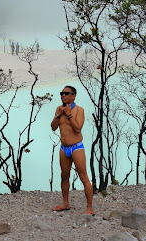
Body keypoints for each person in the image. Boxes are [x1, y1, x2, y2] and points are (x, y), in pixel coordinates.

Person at [50, 85, 94, 215]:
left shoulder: (79, 110)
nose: (63, 95)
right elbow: (53, 127)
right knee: (64, 176)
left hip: (76, 147)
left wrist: (69, 115)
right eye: (61, 93)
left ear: (73, 96)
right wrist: (58, 115)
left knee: (83, 177)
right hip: (64, 148)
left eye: (66, 93)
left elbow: (78, 128)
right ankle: (65, 203)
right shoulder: (59, 109)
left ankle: (90, 208)